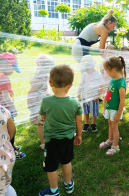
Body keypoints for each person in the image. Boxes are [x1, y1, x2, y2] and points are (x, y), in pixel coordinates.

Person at [39, 65, 83, 195]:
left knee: (51, 167)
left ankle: (53, 191)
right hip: (68, 138)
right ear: (70, 85)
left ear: (50, 83)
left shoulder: (46, 101)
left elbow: (43, 117)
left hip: (52, 141)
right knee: (66, 161)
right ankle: (69, 185)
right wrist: (79, 136)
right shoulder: (75, 102)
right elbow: (79, 121)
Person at [0, 52, 25, 159]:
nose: (13, 72)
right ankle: (11, 153)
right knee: (11, 130)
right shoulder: (3, 77)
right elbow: (6, 96)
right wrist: (13, 109)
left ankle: (9, 147)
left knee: (2, 131)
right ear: (8, 66)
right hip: (5, 110)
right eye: (13, 69)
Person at [99, 56, 126, 155]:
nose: (106, 73)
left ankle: (115, 146)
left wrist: (119, 113)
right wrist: (105, 103)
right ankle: (110, 140)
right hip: (110, 108)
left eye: (107, 71)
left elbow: (122, 100)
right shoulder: (113, 79)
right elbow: (109, 93)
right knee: (110, 124)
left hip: (115, 109)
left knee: (114, 127)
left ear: (113, 70)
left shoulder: (120, 82)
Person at [27, 54, 55, 149]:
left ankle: (50, 138)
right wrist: (32, 109)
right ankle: (43, 143)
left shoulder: (45, 76)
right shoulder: (39, 79)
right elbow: (30, 93)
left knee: (47, 123)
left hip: (45, 105)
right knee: (41, 125)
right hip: (39, 106)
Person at [77, 55, 104, 133]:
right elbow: (81, 85)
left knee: (93, 112)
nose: (86, 69)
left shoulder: (98, 75)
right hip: (85, 97)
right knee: (85, 111)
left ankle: (93, 124)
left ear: (93, 65)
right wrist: (78, 94)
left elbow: (102, 86)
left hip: (93, 97)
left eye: (87, 67)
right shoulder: (84, 75)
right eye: (84, 67)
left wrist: (98, 95)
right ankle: (86, 124)